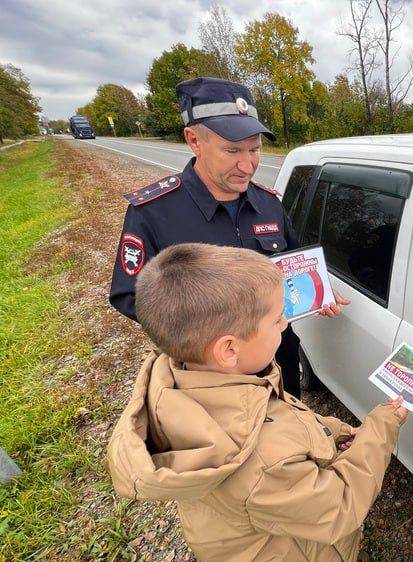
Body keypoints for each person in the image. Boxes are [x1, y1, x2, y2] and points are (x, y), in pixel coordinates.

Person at [107, 243, 408, 562]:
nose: (285, 323)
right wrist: (382, 425)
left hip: (247, 542)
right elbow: (339, 506)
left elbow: (284, 415)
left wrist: (336, 432)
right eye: (276, 318)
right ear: (228, 349)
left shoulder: (190, 374)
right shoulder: (263, 461)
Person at [108, 76, 348, 397]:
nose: (247, 165)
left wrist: (316, 290)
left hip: (277, 360)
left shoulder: (268, 203)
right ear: (194, 141)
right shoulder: (153, 211)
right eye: (232, 150)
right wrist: (206, 337)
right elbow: (129, 295)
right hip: (208, 376)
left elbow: (292, 262)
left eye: (254, 149)